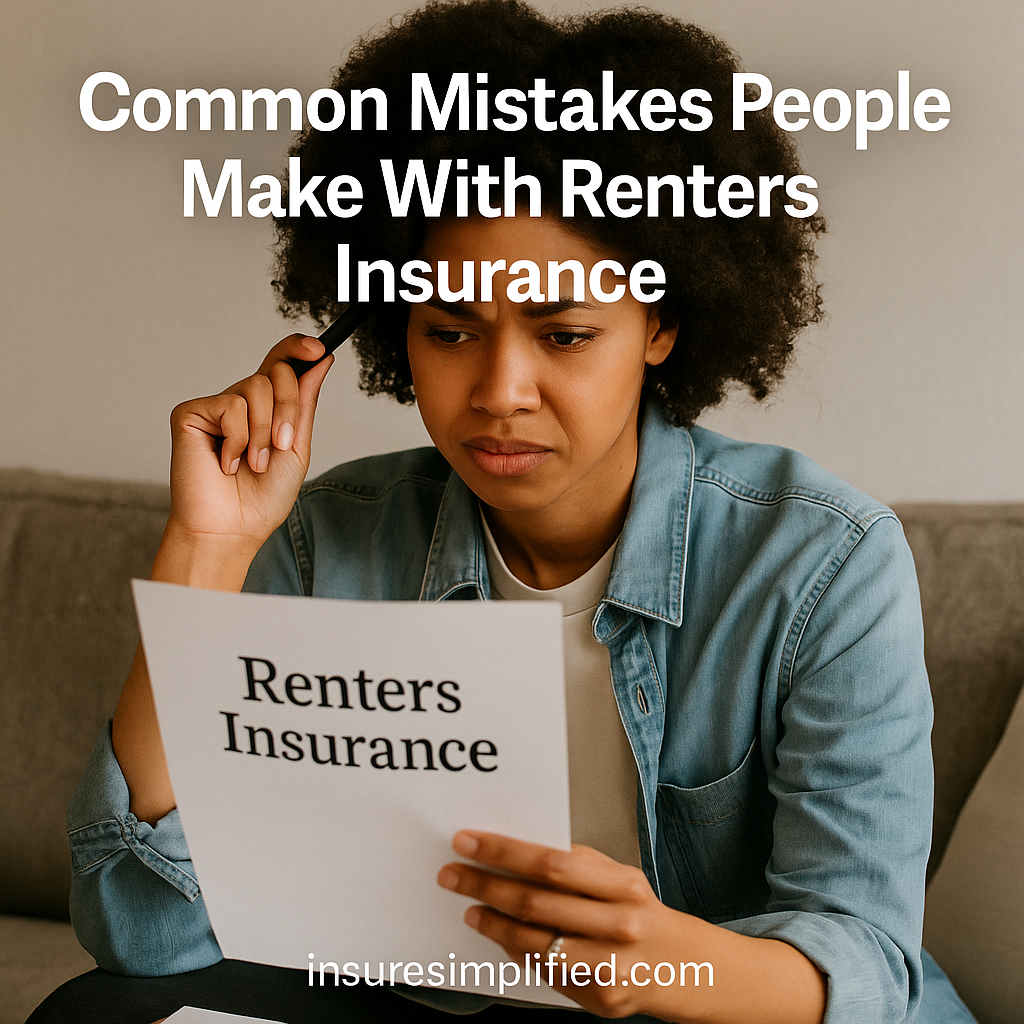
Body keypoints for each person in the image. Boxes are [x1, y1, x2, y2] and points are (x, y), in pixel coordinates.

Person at [58, 2, 976, 1022]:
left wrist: (657, 959)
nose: (499, 389)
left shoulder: (822, 563)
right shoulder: (328, 541)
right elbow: (147, 933)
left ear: (662, 323)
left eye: (566, 334)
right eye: (450, 330)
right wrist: (210, 545)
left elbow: (866, 963)